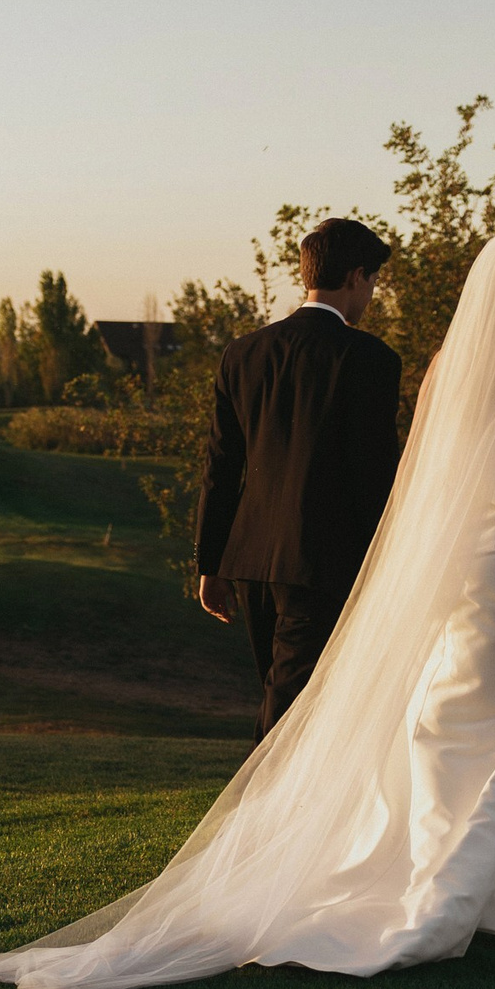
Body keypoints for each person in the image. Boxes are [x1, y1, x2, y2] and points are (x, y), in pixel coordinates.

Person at [0, 232, 495, 989]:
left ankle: (451, 885)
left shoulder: (428, 367)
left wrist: (227, 560)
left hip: (419, 572)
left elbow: (385, 479)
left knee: (432, 726)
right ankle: (443, 892)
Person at [193, 217, 403, 740]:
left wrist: (210, 563)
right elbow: (375, 471)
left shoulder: (242, 352)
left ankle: (281, 792)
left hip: (251, 560)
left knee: (283, 693)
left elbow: (221, 465)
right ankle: (257, 795)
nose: (371, 295)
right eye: (373, 281)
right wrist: (388, 560)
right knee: (292, 706)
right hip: (323, 562)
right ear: (355, 276)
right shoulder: (371, 359)